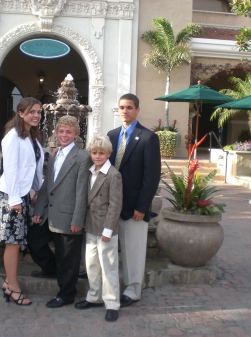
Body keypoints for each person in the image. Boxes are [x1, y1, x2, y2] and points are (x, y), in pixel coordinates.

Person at [0, 97, 44, 306]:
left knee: (20, 242)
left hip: (23, 196)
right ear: (20, 113)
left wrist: (37, 190)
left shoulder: (33, 136)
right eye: (32, 112)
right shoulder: (12, 137)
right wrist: (14, 200)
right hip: (11, 197)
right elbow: (10, 170)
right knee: (13, 243)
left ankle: (8, 282)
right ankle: (13, 287)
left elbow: (35, 169)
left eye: (38, 112)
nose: (36, 115)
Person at [107, 93, 161, 307]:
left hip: (135, 207)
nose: (125, 111)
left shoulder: (148, 137)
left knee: (133, 252)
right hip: (112, 206)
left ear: (137, 110)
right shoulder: (111, 136)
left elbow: (152, 177)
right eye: (122, 107)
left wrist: (142, 206)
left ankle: (133, 290)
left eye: (129, 107)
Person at [33, 115, 91, 308]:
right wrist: (39, 209)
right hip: (49, 212)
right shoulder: (54, 154)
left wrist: (78, 219)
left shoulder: (83, 157)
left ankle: (66, 294)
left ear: (75, 134)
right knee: (34, 241)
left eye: (68, 132)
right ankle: (51, 269)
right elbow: (48, 185)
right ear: (56, 133)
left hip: (69, 216)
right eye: (61, 131)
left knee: (68, 257)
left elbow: (82, 191)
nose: (64, 135)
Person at [74, 135, 122, 322]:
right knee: (91, 264)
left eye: (101, 153)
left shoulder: (113, 175)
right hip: (90, 226)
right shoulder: (89, 171)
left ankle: (112, 303)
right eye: (94, 153)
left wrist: (108, 230)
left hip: (105, 229)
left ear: (109, 154)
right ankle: (94, 296)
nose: (97, 156)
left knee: (108, 266)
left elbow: (115, 205)